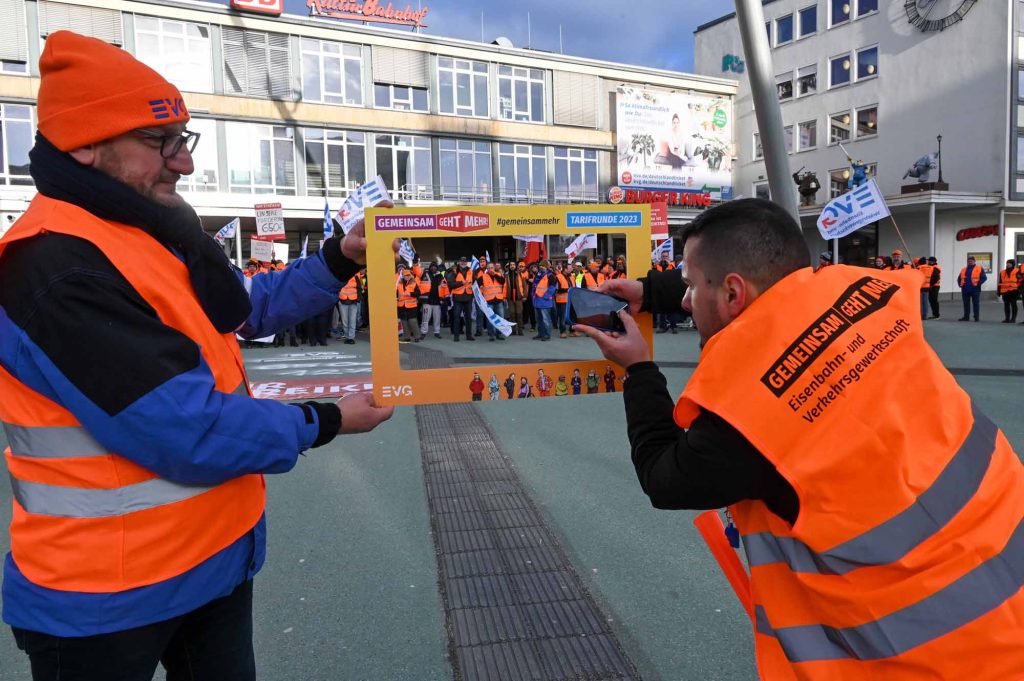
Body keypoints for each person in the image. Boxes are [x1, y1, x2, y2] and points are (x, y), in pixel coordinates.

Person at [0, 31, 396, 681]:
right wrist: (326, 419)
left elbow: (246, 308)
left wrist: (336, 258)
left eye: (183, 139)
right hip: (102, 594)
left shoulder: (145, 228)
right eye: (161, 143)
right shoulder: (53, 265)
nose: (182, 163)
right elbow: (188, 426)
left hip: (206, 562)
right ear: (86, 146)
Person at [575, 198, 1024, 679]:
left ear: (732, 293)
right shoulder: (862, 293)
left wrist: (639, 371)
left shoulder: (748, 417)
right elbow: (756, 283)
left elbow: (664, 478)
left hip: (936, 657)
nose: (685, 299)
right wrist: (650, 291)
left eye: (688, 285)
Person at [445, 256, 475, 341]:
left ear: (467, 262)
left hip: (468, 296)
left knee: (468, 317)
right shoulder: (454, 272)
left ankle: (469, 335)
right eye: (462, 261)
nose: (463, 262)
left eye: (465, 261)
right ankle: (456, 336)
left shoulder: (471, 271)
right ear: (459, 262)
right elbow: (450, 284)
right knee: (456, 316)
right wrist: (461, 283)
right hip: (458, 297)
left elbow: (475, 282)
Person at [419, 262, 447, 339]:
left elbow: (445, 287)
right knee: (425, 318)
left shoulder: (441, 276)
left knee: (437, 318)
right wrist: (415, 262)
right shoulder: (424, 274)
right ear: (430, 267)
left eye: (435, 267)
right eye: (432, 266)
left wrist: (445, 298)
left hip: (437, 301)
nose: (433, 268)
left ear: (437, 268)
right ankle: (423, 332)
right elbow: (416, 271)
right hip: (427, 301)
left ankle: (437, 332)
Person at [531, 261, 556, 341]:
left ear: (547, 267)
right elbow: (534, 287)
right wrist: (533, 296)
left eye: (543, 266)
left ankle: (547, 335)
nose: (541, 267)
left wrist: (545, 296)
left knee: (546, 320)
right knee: (539, 320)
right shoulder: (538, 275)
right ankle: (540, 334)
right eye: (541, 266)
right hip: (538, 301)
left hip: (544, 302)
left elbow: (552, 288)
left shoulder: (550, 276)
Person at [957, 255, 987, 322]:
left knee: (976, 304)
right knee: (966, 304)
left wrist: (978, 283)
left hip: (975, 289)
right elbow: (959, 278)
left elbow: (984, 278)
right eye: (969, 261)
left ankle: (976, 317)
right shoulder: (963, 269)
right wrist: (960, 285)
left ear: (974, 261)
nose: (970, 262)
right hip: (965, 289)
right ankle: (966, 317)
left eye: (971, 261)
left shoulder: (979, 268)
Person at [396, 267, 422, 342]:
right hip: (401, 305)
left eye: (408, 275)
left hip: (411, 306)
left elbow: (418, 293)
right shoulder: (399, 284)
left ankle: (417, 337)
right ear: (403, 276)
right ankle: (407, 337)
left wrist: (410, 294)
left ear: (410, 276)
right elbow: (396, 293)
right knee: (404, 322)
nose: (407, 277)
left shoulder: (414, 283)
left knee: (412, 321)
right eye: (405, 275)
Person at [337, 269, 362, 344]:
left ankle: (351, 337)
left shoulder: (356, 275)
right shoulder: (340, 274)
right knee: (344, 321)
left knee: (352, 320)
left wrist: (358, 299)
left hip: (353, 300)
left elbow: (359, 287)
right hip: (342, 299)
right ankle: (347, 336)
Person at [506, 260, 530, 336]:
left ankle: (520, 330)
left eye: (513, 264)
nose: (512, 266)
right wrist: (504, 297)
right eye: (511, 265)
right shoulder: (506, 275)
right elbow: (504, 287)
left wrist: (525, 296)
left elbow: (524, 286)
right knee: (512, 314)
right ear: (509, 266)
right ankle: (513, 331)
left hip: (519, 297)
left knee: (519, 314)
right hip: (510, 298)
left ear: (515, 266)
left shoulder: (520, 274)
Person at [554, 262, 573, 338]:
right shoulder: (558, 277)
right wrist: (568, 290)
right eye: (570, 268)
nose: (572, 269)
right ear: (565, 269)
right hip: (561, 301)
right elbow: (557, 290)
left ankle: (572, 331)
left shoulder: (571, 277)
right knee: (563, 317)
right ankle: (563, 331)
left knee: (571, 316)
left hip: (570, 300)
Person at [998, 259, 1020, 323]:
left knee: (1013, 305)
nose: (1008, 264)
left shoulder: (1017, 271)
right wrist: (999, 291)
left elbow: (1020, 281)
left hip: (1014, 291)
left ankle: (1013, 319)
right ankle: (1007, 318)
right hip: (1005, 291)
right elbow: (1000, 282)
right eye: (1007, 263)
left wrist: (1019, 290)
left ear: (1013, 264)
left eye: (1009, 263)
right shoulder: (1002, 272)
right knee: (1006, 305)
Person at [915, 257, 932, 321]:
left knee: (921, 302)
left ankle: (921, 315)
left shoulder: (919, 268)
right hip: (927, 286)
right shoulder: (930, 267)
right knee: (926, 302)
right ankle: (925, 315)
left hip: (921, 287)